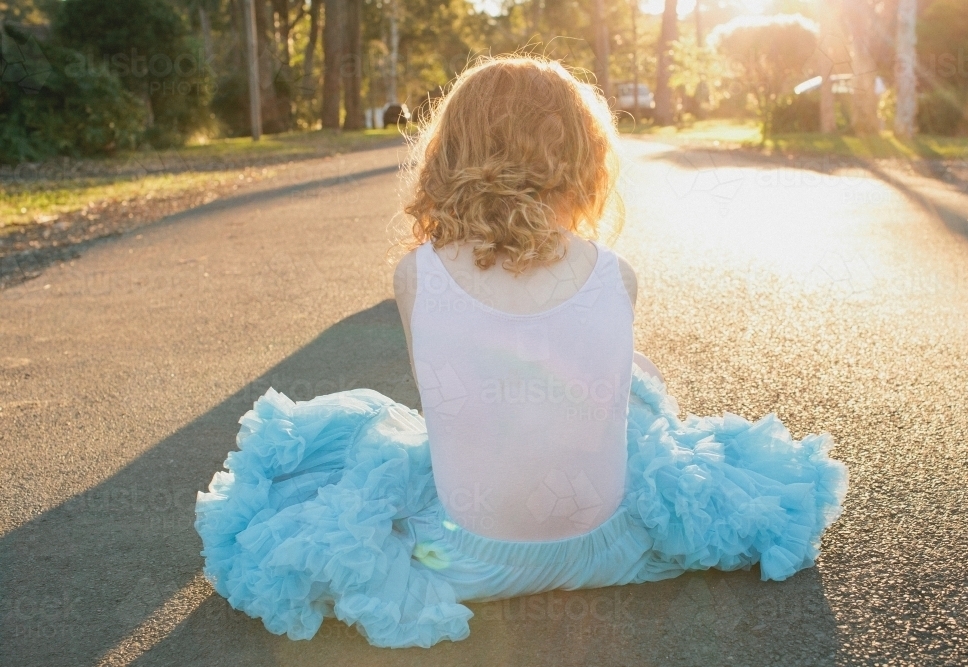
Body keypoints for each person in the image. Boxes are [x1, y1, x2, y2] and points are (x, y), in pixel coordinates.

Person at [194, 56, 848, 648]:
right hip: (609, 551)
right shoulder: (615, 273)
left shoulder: (416, 274)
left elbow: (458, 395)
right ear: (583, 155)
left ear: (449, 154)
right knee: (641, 393)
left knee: (356, 454)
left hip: (458, 558)